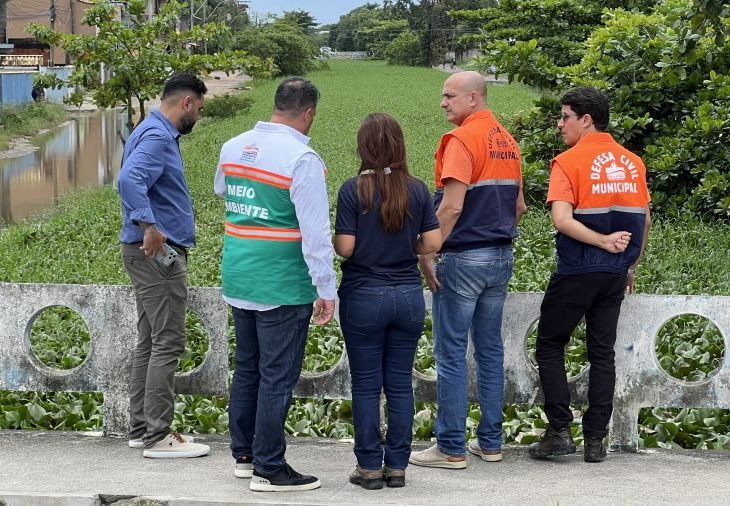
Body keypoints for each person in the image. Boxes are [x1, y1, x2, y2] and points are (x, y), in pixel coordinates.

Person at [215, 77, 336, 492]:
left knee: (248, 368)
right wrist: (326, 289)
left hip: (239, 274)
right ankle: (269, 466)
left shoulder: (232, 147)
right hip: (281, 282)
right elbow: (316, 234)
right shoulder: (301, 159)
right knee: (277, 376)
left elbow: (223, 190)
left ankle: (245, 455)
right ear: (308, 113)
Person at [410, 71, 526, 469]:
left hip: (463, 259)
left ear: (473, 98)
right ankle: (490, 443)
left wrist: (427, 251)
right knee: (490, 351)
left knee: (451, 354)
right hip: (500, 256)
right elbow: (519, 207)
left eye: (449, 96)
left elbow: (451, 206)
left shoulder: (461, 139)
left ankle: (450, 447)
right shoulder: (508, 141)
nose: (443, 103)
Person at [529, 87, 651, 463]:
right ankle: (595, 440)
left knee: (550, 345)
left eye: (565, 116)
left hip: (577, 269)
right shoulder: (633, 163)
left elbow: (562, 220)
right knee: (601, 353)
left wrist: (601, 241)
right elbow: (645, 221)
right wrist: (629, 265)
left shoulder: (568, 162)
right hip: (615, 274)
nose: (560, 124)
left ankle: (559, 431)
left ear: (586, 120)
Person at [334, 113, 442, 489]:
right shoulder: (417, 189)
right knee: (399, 384)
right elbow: (433, 243)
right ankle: (396, 466)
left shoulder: (353, 190)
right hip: (408, 297)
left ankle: (368, 467)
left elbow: (346, 248)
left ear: (363, 147)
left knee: (366, 385)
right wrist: (405, 244)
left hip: (365, 295)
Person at [117, 72, 210, 459]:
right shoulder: (157, 136)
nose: (198, 117)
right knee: (168, 340)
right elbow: (129, 180)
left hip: (144, 252)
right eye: (199, 109)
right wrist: (150, 226)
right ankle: (158, 436)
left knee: (150, 340)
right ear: (186, 102)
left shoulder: (146, 129)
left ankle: (141, 429)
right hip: (157, 253)